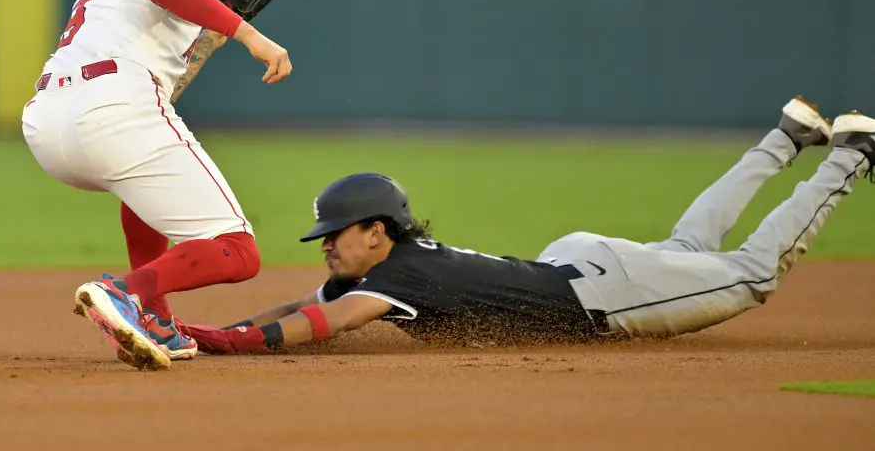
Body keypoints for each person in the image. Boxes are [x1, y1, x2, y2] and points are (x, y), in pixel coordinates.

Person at [173, 97, 873, 359]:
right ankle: (785, 137)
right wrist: (230, 332)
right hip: (580, 267)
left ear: (379, 230)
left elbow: (325, 324)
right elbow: (302, 308)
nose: (326, 245)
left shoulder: (394, 277)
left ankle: (848, 153)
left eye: (337, 233)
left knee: (751, 275)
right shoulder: (387, 266)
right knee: (688, 249)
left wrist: (231, 343)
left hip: (601, 294)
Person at [21, 0, 293, 371]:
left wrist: (213, 28)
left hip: (48, 124)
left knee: (145, 188)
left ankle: (153, 314)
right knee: (238, 250)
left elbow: (166, 80)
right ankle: (126, 292)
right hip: (111, 110)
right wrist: (250, 36)